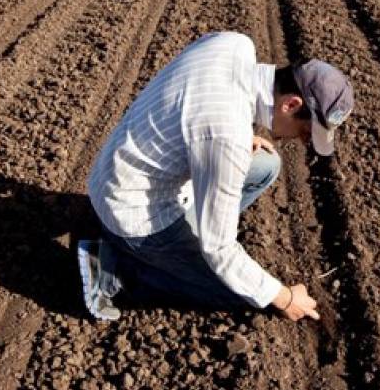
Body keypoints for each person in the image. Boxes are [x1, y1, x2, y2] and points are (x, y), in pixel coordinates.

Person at [78, 31, 354, 323]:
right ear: (291, 105)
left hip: (117, 172)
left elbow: (200, 101)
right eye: (306, 132)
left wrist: (237, 134)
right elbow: (219, 249)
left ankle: (180, 243)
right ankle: (116, 269)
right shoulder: (225, 136)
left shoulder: (235, 44)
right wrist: (284, 297)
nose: (301, 141)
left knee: (265, 164)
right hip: (131, 214)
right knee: (243, 295)